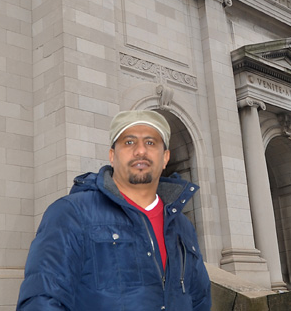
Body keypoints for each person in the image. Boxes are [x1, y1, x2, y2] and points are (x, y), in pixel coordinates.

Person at [17, 110, 211, 310]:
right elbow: (41, 299)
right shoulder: (71, 213)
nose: (140, 151)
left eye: (151, 142)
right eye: (129, 142)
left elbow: (200, 300)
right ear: (112, 156)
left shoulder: (183, 227)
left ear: (165, 158)